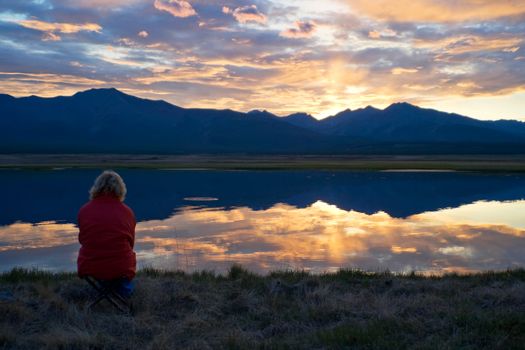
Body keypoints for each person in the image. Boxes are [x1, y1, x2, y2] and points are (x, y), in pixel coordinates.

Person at [77, 170, 136, 297]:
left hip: (90, 265)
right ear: (121, 189)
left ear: (96, 188)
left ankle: (105, 284)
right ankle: (121, 287)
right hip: (122, 267)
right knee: (128, 256)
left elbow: (83, 240)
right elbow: (131, 243)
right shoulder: (128, 212)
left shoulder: (84, 210)